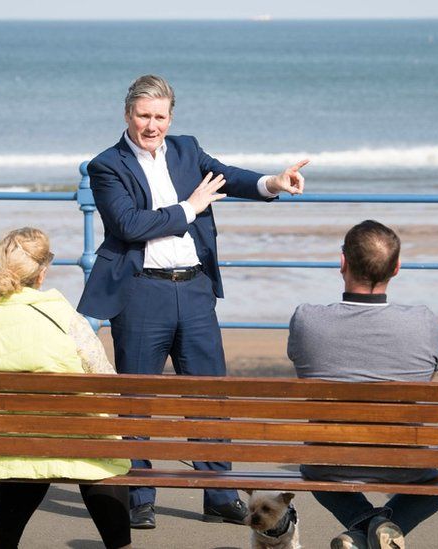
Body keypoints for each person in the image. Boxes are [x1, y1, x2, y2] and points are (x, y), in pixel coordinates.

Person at [76, 74, 309, 529]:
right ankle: (139, 495)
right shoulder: (106, 166)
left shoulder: (187, 149)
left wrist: (273, 182)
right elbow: (128, 224)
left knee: (209, 394)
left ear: (171, 117)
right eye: (143, 115)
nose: (151, 125)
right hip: (142, 291)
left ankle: (219, 493)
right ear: (127, 115)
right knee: (137, 398)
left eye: (159, 116)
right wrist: (191, 206)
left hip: (196, 288)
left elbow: (231, 178)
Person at [0, 227, 132, 549]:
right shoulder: (63, 318)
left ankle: (3, 544)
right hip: (58, 442)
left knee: (25, 444)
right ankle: (121, 546)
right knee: (93, 449)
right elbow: (104, 381)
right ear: (42, 272)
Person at [287, 220, 438, 549]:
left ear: (342, 263)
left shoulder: (306, 319)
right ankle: (383, 526)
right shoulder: (422, 321)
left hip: (328, 462)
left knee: (313, 465)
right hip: (406, 464)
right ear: (397, 268)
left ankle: (362, 527)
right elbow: (430, 374)